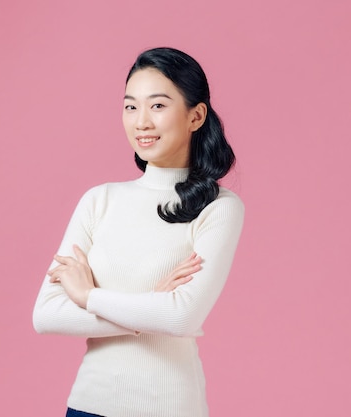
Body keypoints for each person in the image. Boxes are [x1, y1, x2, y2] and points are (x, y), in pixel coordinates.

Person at [33, 47, 244, 417]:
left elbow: (181, 317)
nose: (141, 122)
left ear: (196, 116)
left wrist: (87, 295)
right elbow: (47, 314)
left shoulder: (219, 207)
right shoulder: (100, 200)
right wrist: (149, 304)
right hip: (87, 405)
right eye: (131, 107)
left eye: (158, 106)